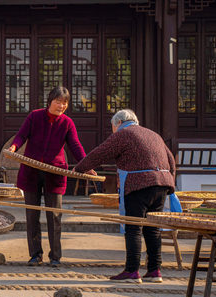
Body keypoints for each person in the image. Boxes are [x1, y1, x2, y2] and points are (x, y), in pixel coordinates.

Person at [73, 109, 177, 284]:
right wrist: (170, 183)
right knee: (152, 229)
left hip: (138, 184)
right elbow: (171, 161)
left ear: (118, 123)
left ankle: (132, 271)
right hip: (163, 184)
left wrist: (79, 169)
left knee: (133, 228)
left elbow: (100, 153)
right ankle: (154, 270)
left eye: (113, 127)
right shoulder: (153, 134)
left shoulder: (123, 134)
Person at [9, 86, 87, 267]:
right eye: (58, 101)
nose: (61, 106)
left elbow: (75, 145)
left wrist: (86, 165)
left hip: (55, 173)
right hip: (32, 171)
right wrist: (13, 147)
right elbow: (21, 135)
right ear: (50, 101)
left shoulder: (67, 123)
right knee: (32, 215)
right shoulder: (35, 116)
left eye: (65, 103)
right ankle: (36, 254)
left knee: (55, 216)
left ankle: (55, 256)